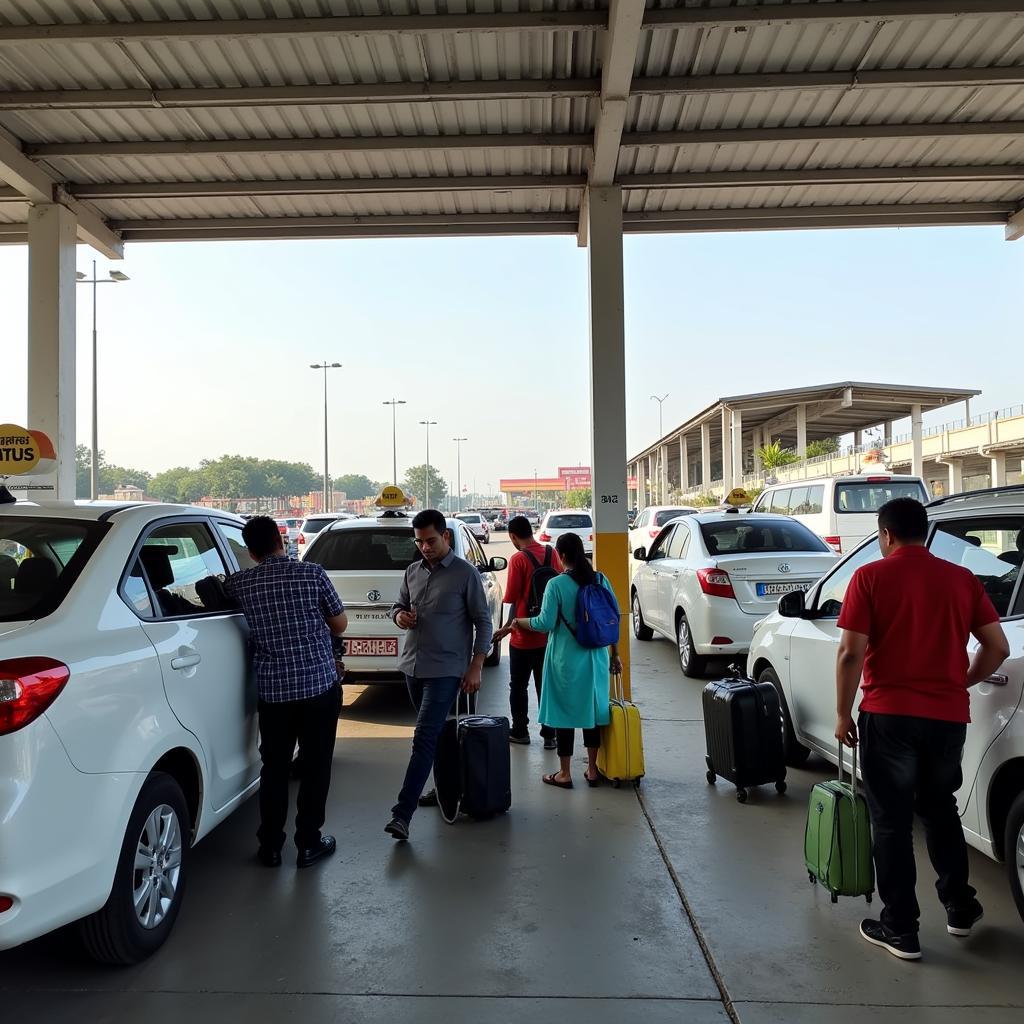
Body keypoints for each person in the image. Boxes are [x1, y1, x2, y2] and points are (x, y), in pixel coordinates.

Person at [834, 497, 1010, 960]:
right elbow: (997, 646)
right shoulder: (961, 579)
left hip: (889, 716)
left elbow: (851, 653)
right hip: (947, 717)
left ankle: (901, 929)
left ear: (885, 534)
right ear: (924, 531)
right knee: (940, 810)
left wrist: (841, 712)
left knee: (890, 822)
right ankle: (959, 909)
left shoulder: (869, 577)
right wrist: (962, 680)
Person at [224, 516, 348, 869]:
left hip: (275, 694)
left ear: (250, 551)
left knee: (274, 768)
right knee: (315, 766)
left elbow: (219, 592)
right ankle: (308, 843)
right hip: (318, 688)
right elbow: (340, 624)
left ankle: (271, 847)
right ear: (281, 540)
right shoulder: (312, 574)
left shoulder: (243, 583)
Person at [385, 508, 493, 841]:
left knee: (423, 737)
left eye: (430, 540)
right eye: (419, 542)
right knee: (436, 736)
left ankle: (402, 814)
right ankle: (445, 787)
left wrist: (476, 665)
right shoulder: (412, 572)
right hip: (413, 667)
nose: (425, 547)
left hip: (447, 670)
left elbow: (483, 622)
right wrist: (400, 616)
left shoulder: (465, 574)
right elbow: (397, 606)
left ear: (445, 536)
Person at [504, 532, 622, 789]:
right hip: (597, 658)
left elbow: (544, 623)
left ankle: (565, 773)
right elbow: (612, 620)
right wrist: (616, 655)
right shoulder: (601, 579)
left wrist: (518, 622)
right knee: (592, 714)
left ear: (562, 555)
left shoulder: (556, 585)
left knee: (564, 714)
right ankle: (592, 770)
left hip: (565, 660)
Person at [493, 515, 563, 748]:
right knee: (546, 685)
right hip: (548, 634)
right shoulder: (552, 553)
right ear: (531, 531)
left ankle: (521, 731)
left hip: (522, 636)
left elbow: (511, 597)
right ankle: (550, 734)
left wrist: (506, 627)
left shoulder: (518, 559)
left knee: (519, 686)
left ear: (513, 536)